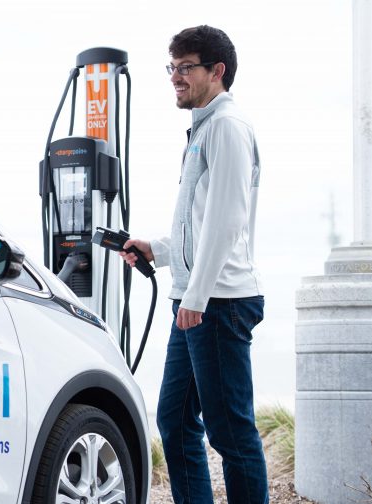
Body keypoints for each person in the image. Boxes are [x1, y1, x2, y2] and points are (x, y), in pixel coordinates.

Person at [119, 25, 267, 504]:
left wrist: (198, 298)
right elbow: (199, 223)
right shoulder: (205, 129)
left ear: (216, 71)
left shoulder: (227, 127)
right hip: (197, 299)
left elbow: (226, 222)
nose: (175, 77)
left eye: (186, 67)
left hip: (218, 303)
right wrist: (156, 250)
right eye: (172, 67)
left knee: (230, 433)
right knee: (176, 422)